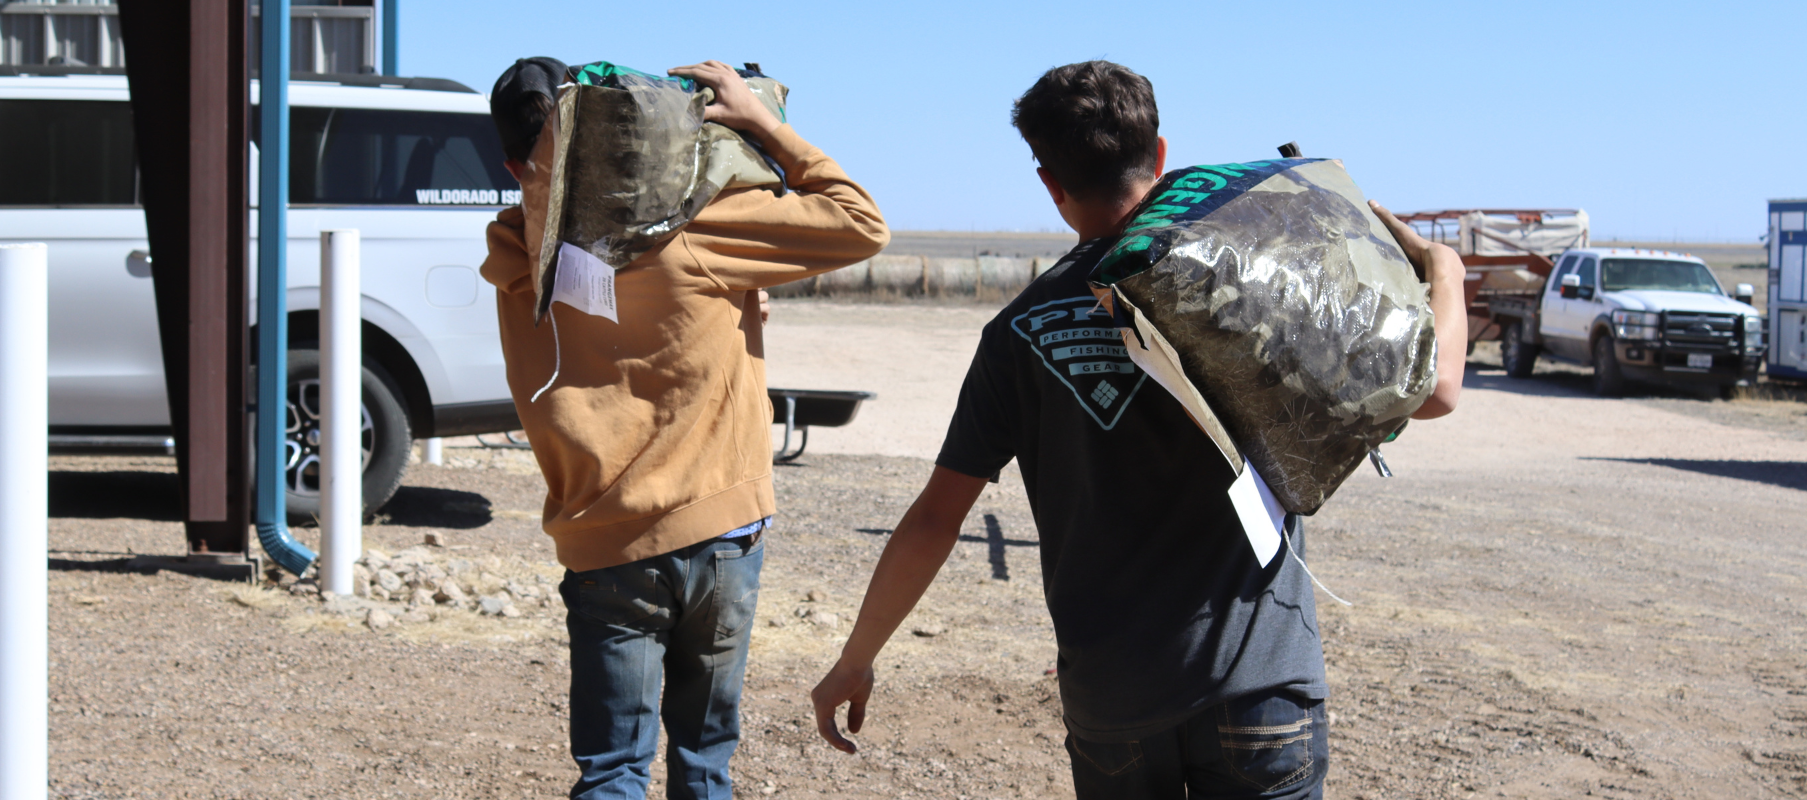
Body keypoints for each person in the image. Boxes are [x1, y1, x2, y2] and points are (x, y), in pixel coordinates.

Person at [807, 60, 1465, 799]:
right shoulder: (1253, 290)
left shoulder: (1015, 333)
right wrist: (1445, 271)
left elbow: (935, 518)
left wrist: (856, 658)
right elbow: (1436, 388)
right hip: (1259, 689)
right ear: (1160, 155)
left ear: (1050, 184)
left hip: (1114, 701)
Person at [480, 57, 890, 799]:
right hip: (720, 531)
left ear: (513, 167)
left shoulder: (516, 254)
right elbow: (861, 222)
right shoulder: (699, 228)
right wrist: (764, 124)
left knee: (612, 771)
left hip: (604, 545)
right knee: (704, 766)